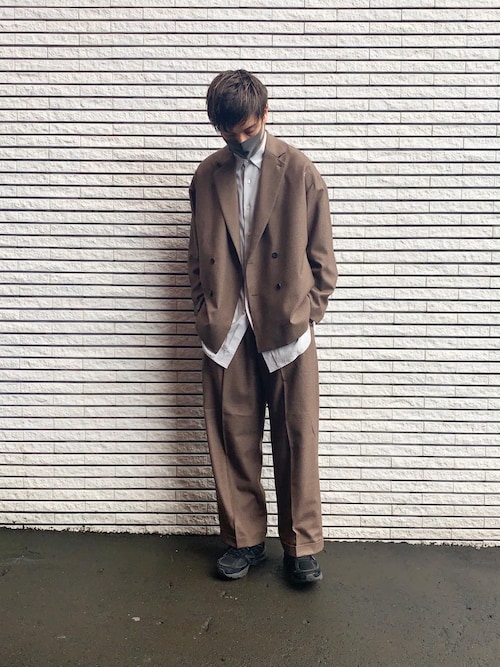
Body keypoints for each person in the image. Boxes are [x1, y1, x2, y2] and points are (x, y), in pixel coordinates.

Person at [188, 70, 337, 584]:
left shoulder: (298, 170)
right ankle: (243, 540)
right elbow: (196, 256)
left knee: (297, 437)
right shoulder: (207, 175)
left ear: (265, 114)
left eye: (248, 129)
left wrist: (306, 311)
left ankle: (301, 545)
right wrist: (205, 310)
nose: (239, 139)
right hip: (227, 329)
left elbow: (323, 260)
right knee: (232, 437)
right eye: (228, 132)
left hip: (286, 329)